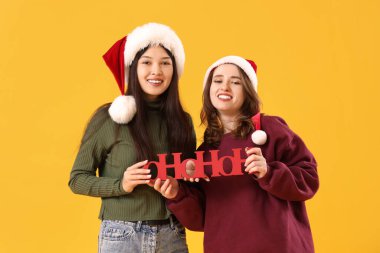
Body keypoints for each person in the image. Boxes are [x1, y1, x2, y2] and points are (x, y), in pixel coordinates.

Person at [154, 56, 319, 253]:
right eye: (218, 80)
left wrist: (269, 172)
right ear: (208, 90)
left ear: (248, 91)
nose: (225, 87)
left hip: (279, 246)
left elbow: (309, 179)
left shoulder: (270, 130)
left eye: (235, 82)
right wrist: (177, 194)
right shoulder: (205, 153)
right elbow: (201, 220)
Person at [68, 23, 195, 253]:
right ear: (133, 68)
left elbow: (188, 178)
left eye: (165, 63)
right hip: (122, 235)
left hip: (172, 234)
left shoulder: (182, 121)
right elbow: (77, 179)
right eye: (147, 62)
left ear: (174, 70)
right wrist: (121, 184)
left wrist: (178, 187)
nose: (156, 71)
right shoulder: (109, 118)